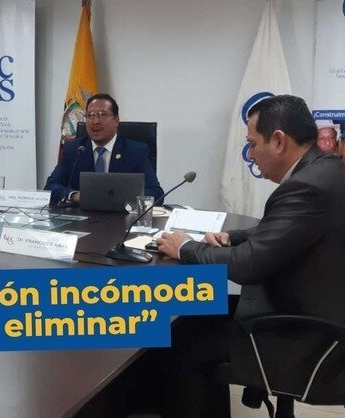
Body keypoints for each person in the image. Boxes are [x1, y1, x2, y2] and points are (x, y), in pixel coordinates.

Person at [156, 95, 345, 417]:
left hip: (306, 335)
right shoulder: (326, 170)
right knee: (196, 316)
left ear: (278, 140)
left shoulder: (307, 186)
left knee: (179, 340)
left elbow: (247, 266)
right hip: (315, 310)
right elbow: (290, 228)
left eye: (253, 144)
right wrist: (234, 237)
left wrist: (186, 247)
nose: (250, 154)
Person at [44, 93, 164, 206]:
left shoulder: (136, 151)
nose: (95, 121)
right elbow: (51, 186)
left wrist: (122, 197)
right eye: (90, 115)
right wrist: (75, 196)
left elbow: (156, 193)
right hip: (83, 216)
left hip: (121, 216)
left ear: (116, 120)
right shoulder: (75, 149)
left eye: (102, 115)